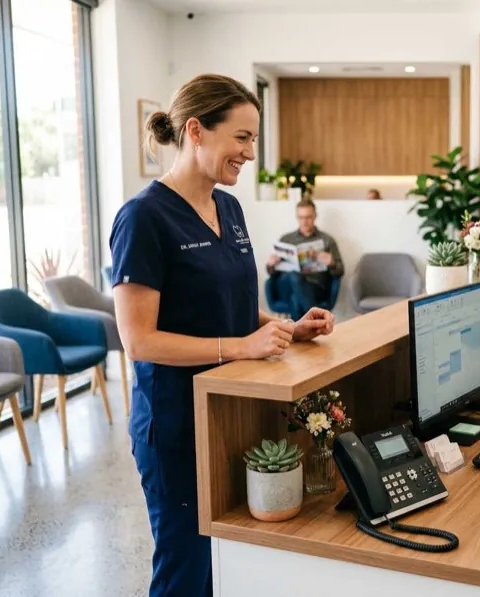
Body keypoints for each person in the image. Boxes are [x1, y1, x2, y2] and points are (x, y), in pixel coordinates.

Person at [109, 73, 335, 597]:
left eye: (253, 139)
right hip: (176, 423)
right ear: (196, 130)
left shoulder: (228, 208)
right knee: (185, 568)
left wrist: (285, 328)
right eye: (242, 137)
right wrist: (240, 347)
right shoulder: (143, 218)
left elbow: (229, 305)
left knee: (228, 564)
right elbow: (138, 340)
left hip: (233, 411)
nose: (250, 152)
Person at [266, 199, 344, 320]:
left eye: (308, 217)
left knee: (295, 299)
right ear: (297, 217)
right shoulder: (287, 239)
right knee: (294, 276)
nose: (304, 222)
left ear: (315, 216)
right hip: (286, 285)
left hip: (315, 287)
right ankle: (317, 320)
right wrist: (271, 265)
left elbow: (340, 271)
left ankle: (300, 335)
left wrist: (331, 263)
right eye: (301, 217)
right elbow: (272, 273)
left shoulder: (327, 240)